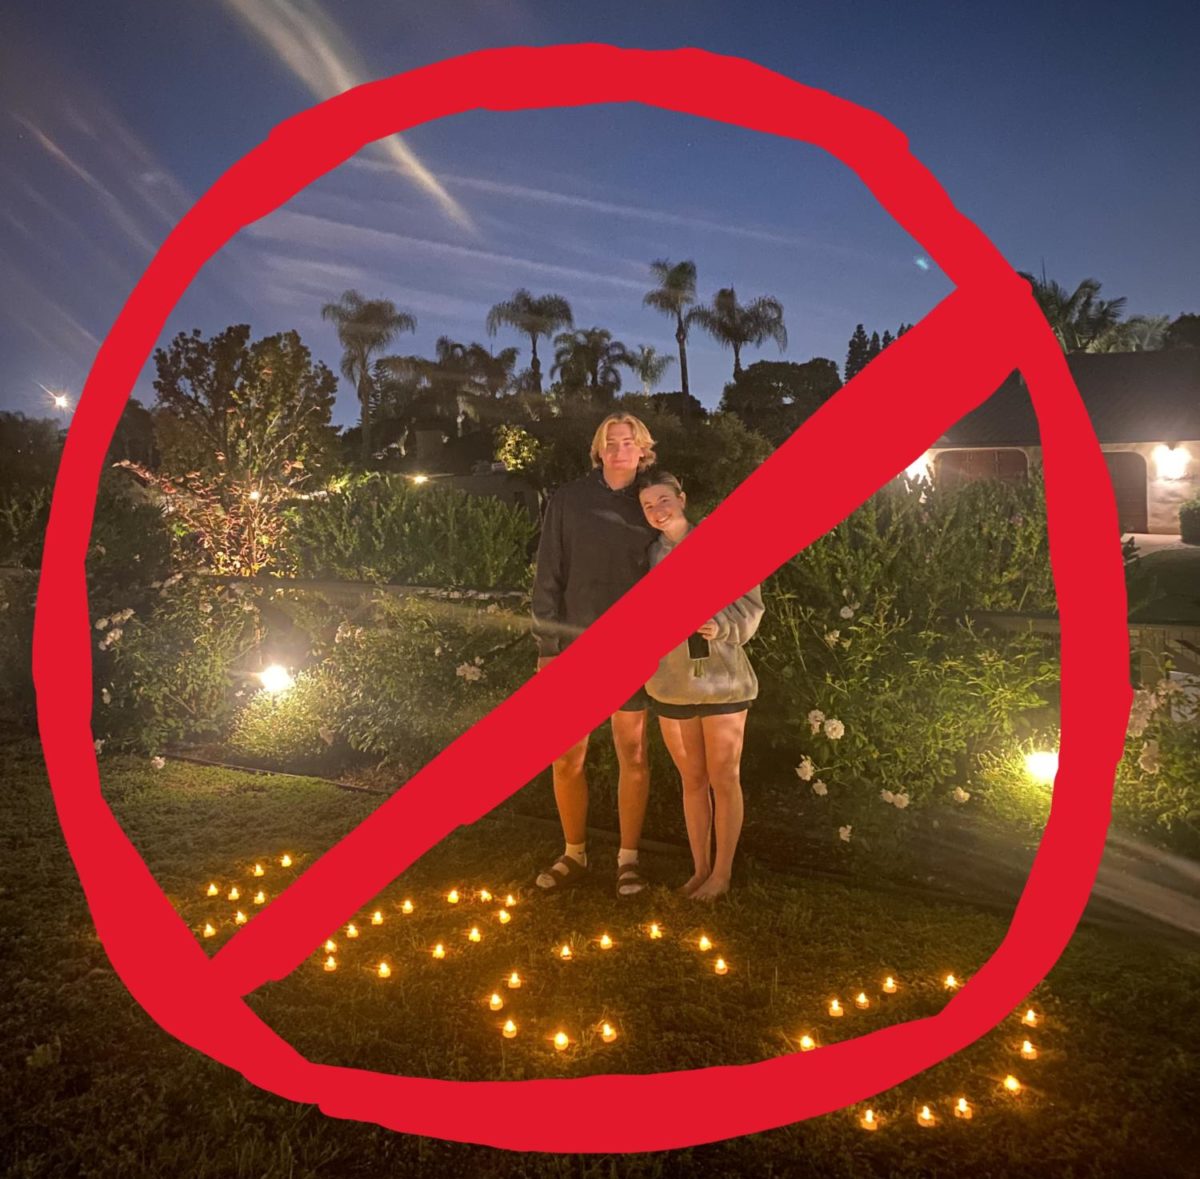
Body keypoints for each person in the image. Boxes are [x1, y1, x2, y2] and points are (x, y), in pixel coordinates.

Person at [530, 412, 659, 897]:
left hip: (633, 651)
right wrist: (549, 648)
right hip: (575, 650)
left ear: (643, 449)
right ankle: (574, 853)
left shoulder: (651, 502)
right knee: (567, 758)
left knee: (634, 755)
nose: (620, 450)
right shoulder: (568, 500)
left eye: (629, 442)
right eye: (611, 442)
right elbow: (548, 575)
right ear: (599, 449)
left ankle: (628, 860)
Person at [637, 470, 764, 900]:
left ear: (682, 498)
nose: (657, 511)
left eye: (663, 501)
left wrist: (721, 625)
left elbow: (751, 605)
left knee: (724, 778)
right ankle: (700, 868)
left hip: (723, 683)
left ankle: (722, 874)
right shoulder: (648, 556)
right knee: (692, 780)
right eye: (648, 506)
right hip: (671, 683)